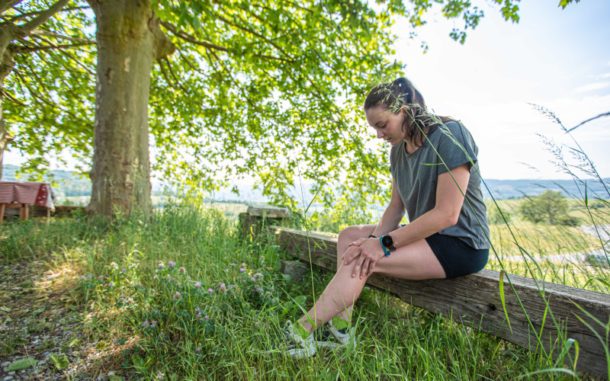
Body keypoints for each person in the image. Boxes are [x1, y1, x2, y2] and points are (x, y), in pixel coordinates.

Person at [281, 77, 490, 358]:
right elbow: (396, 206)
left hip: (460, 244)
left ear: (404, 109)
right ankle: (339, 332)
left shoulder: (450, 134)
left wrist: (381, 245)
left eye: (382, 125)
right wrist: (370, 240)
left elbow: (447, 215)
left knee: (364, 258)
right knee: (350, 238)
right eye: (374, 128)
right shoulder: (398, 151)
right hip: (426, 237)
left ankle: (300, 332)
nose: (379, 134)